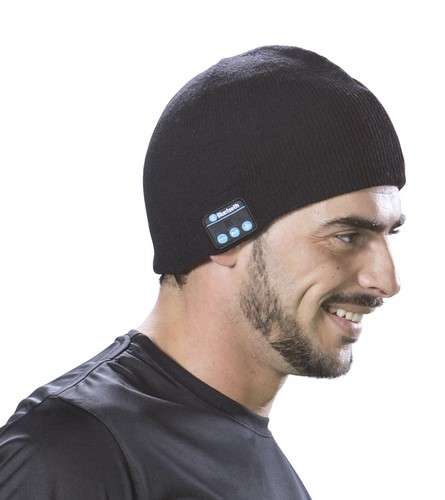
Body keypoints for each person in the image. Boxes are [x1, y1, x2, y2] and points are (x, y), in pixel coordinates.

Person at [0, 44, 406, 499]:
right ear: (226, 235)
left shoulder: (271, 473)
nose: (386, 281)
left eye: (390, 233)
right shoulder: (73, 453)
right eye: (348, 236)